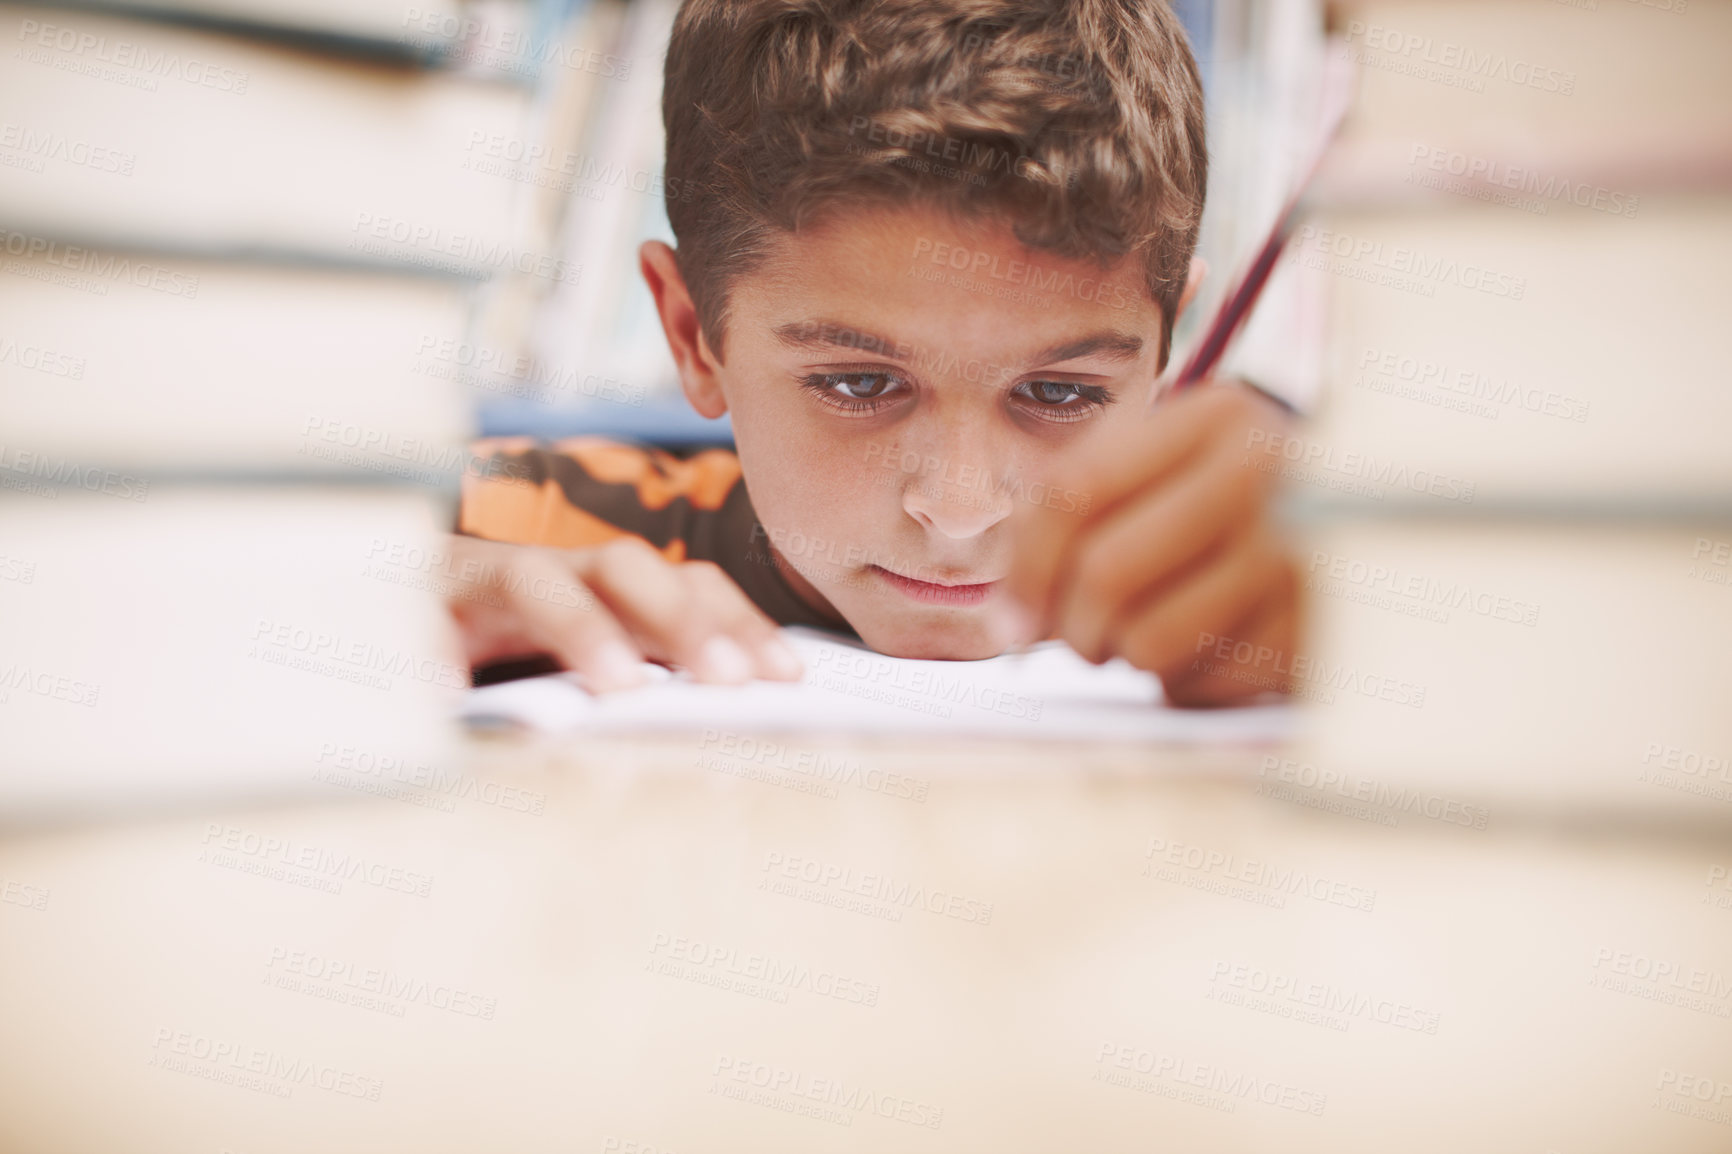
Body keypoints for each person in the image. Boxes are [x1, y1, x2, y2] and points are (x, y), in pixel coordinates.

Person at [447, 0, 1300, 706]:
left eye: (1062, 393)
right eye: (859, 382)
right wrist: (396, 592)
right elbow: (339, 558)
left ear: (1170, 356)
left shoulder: (1256, 580)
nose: (962, 510)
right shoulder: (516, 524)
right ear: (691, 336)